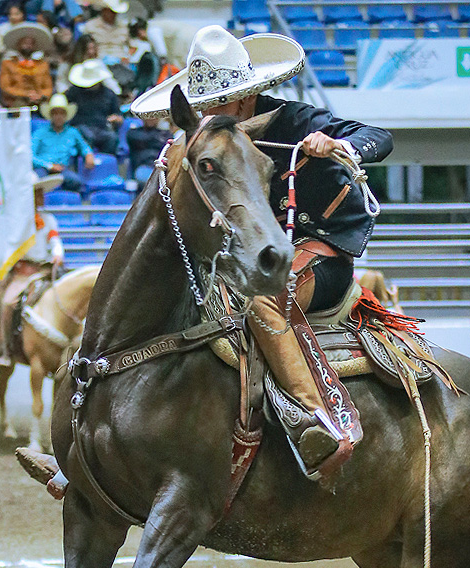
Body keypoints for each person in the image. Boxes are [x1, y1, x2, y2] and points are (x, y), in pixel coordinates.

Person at [131, 25, 393, 478]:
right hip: (237, 257)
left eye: (218, 101)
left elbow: (378, 136)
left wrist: (338, 145)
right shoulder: (198, 138)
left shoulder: (299, 121)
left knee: (261, 299)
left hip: (316, 252)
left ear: (246, 95)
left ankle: (315, 419)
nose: (208, 111)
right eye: (202, 105)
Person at [0, 172, 65, 365]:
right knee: (8, 303)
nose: (42, 197)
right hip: (22, 273)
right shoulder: (15, 222)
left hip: (43, 270)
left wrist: (58, 253)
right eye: (37, 193)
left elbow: (54, 240)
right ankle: (5, 348)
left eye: (41, 193)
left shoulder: (48, 220)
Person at [32, 92, 95, 191]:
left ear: (66, 115)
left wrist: (88, 154)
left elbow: (84, 146)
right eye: (55, 113)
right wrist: (49, 166)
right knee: (37, 183)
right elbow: (30, 155)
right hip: (43, 169)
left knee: (76, 182)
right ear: (51, 115)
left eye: (61, 113)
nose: (59, 116)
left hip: (62, 169)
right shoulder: (40, 133)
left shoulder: (72, 132)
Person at [66, 58, 122, 154]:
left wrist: (115, 118)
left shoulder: (109, 94)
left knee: (112, 138)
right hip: (80, 127)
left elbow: (118, 114)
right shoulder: (74, 92)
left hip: (102, 128)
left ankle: (105, 164)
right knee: (86, 135)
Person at [0, 21, 54, 107]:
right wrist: (25, 94)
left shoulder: (42, 65)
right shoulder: (8, 63)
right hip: (17, 100)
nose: (28, 45)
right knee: (20, 106)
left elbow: (48, 88)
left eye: (30, 43)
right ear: (18, 44)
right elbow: (5, 87)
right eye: (24, 42)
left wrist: (39, 95)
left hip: (39, 100)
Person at [126, 114, 167, 187]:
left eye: (154, 117)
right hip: (143, 167)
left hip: (161, 168)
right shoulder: (133, 133)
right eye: (149, 117)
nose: (151, 119)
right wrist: (156, 139)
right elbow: (138, 138)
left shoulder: (166, 134)